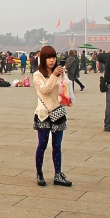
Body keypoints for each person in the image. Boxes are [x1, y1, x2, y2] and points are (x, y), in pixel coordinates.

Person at [33, 46, 73, 187]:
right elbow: (45, 89)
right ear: (43, 59)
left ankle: (58, 174)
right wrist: (54, 76)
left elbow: (65, 88)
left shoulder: (59, 72)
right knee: (42, 144)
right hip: (43, 114)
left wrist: (64, 77)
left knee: (57, 145)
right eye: (49, 58)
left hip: (58, 112)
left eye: (53, 57)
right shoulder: (37, 75)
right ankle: (39, 173)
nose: (51, 60)